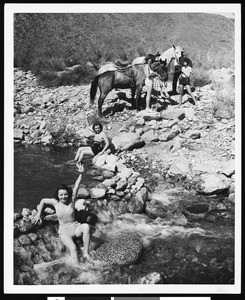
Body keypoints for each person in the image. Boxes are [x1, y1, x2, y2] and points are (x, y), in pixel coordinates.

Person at [31, 164, 91, 264]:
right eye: (61, 195)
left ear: (68, 194)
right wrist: (38, 214)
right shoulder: (55, 203)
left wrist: (81, 173)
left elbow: (76, 186)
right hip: (64, 232)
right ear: (58, 195)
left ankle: (86, 253)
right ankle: (78, 269)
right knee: (73, 248)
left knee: (86, 227)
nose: (63, 197)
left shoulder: (72, 200)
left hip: (75, 228)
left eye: (65, 194)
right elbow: (42, 201)